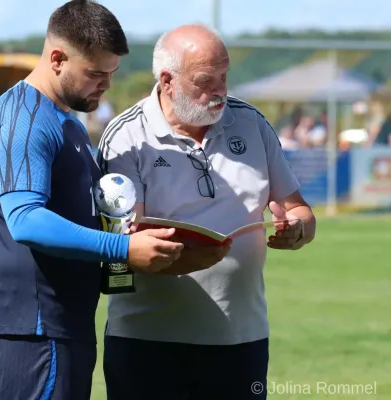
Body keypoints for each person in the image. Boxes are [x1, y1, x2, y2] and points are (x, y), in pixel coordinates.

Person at [0, 1, 184, 399]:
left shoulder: (64, 117)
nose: (105, 85)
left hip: (60, 326)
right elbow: (26, 220)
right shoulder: (24, 118)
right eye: (95, 74)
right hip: (31, 330)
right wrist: (123, 247)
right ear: (57, 58)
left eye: (111, 74)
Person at [97, 24, 316, 400]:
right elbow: (123, 247)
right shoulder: (126, 137)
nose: (220, 90)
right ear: (167, 80)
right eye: (205, 80)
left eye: (225, 76)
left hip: (241, 340)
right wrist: (193, 258)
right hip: (148, 342)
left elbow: (300, 210)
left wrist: (297, 229)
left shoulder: (252, 124)